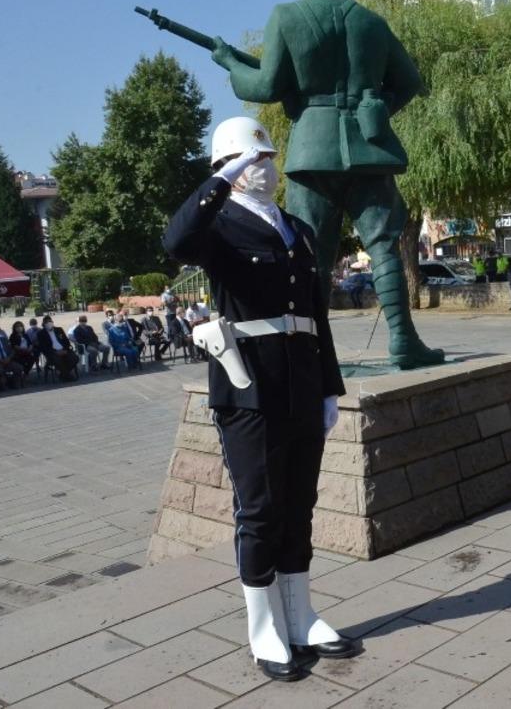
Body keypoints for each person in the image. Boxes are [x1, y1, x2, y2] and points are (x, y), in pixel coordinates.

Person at [163, 116, 357, 681]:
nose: (265, 167)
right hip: (249, 384)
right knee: (260, 511)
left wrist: (328, 386)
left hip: (300, 380)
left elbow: (315, 315)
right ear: (226, 166)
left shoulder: (296, 228)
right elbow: (175, 242)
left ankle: (301, 617)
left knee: (300, 505)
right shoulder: (217, 225)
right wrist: (221, 179)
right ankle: (263, 630)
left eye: (268, 156)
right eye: (252, 158)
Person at [210, 0, 442, 369]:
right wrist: (377, 108)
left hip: (312, 152)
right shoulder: (371, 22)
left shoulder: (287, 16)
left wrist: (229, 61)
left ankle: (312, 351)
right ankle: (404, 342)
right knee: (384, 246)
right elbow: (410, 81)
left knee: (309, 256)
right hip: (369, 150)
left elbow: (264, 87)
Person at [38, 315, 80, 381]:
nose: (49, 323)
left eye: (50, 321)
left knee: (75, 358)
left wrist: (65, 350)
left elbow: (66, 341)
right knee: (57, 360)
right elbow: (43, 347)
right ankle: (68, 376)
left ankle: (62, 374)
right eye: (47, 322)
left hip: (64, 350)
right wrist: (55, 352)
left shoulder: (59, 330)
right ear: (43, 324)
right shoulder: (41, 333)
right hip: (52, 353)